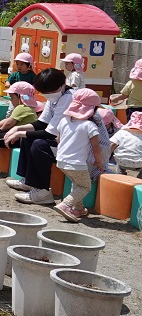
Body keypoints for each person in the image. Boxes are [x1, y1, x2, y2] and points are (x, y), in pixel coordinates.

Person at [4, 67, 73, 206]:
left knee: (39, 145)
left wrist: (18, 132)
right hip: (62, 140)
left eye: (51, 91)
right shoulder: (57, 97)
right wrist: (18, 128)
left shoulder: (68, 98)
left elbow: (50, 133)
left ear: (62, 84)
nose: (48, 95)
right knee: (28, 137)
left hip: (72, 147)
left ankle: (42, 192)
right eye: (45, 92)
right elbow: (42, 123)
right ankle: (28, 181)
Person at [52, 89, 110, 222]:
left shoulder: (64, 121)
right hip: (77, 163)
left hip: (61, 161)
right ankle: (65, 205)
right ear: (92, 109)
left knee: (77, 183)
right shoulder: (89, 125)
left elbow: (59, 140)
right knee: (85, 186)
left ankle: (79, 209)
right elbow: (96, 147)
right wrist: (99, 162)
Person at [0, 82, 40, 173]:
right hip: (24, 137)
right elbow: (9, 120)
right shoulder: (28, 107)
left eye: (12, 97)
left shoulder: (21, 108)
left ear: (20, 97)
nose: (11, 100)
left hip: (19, 138)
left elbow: (9, 123)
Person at [110, 112, 142, 176]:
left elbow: (111, 145)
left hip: (121, 161)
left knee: (120, 153)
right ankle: (140, 178)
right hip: (139, 163)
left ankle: (120, 173)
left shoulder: (122, 132)